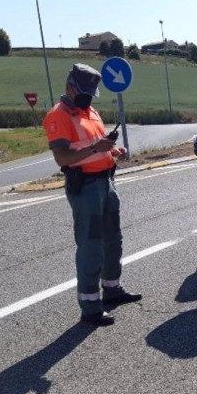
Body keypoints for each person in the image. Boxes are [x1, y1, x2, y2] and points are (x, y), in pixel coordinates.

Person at [42, 63, 141, 326]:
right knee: (91, 246)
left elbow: (94, 146)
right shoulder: (58, 116)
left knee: (113, 241)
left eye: (91, 93)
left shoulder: (91, 112)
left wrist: (111, 151)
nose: (88, 97)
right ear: (70, 87)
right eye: (84, 92)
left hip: (107, 182)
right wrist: (96, 148)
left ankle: (112, 290)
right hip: (85, 188)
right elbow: (63, 157)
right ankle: (90, 307)